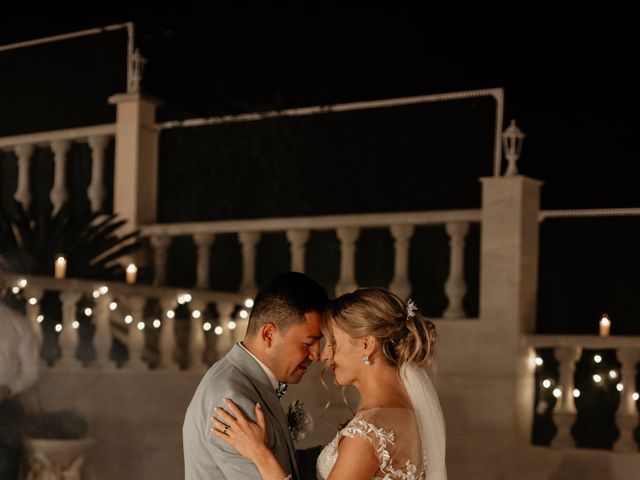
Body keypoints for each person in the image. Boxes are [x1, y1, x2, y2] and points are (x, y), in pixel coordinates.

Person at [211, 287, 447, 480]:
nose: (324, 355)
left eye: (333, 342)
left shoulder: (368, 432)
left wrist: (260, 454)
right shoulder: (410, 416)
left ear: (366, 345)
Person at [183, 271, 329, 479]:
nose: (316, 354)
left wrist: (344, 449)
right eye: (308, 343)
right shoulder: (232, 402)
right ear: (269, 334)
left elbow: (285, 464)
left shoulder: (245, 380)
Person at [0, 267, 40, 479]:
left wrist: (8, 389)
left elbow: (31, 371)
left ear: (3, 287)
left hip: (5, 409)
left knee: (6, 466)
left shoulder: (17, 325)